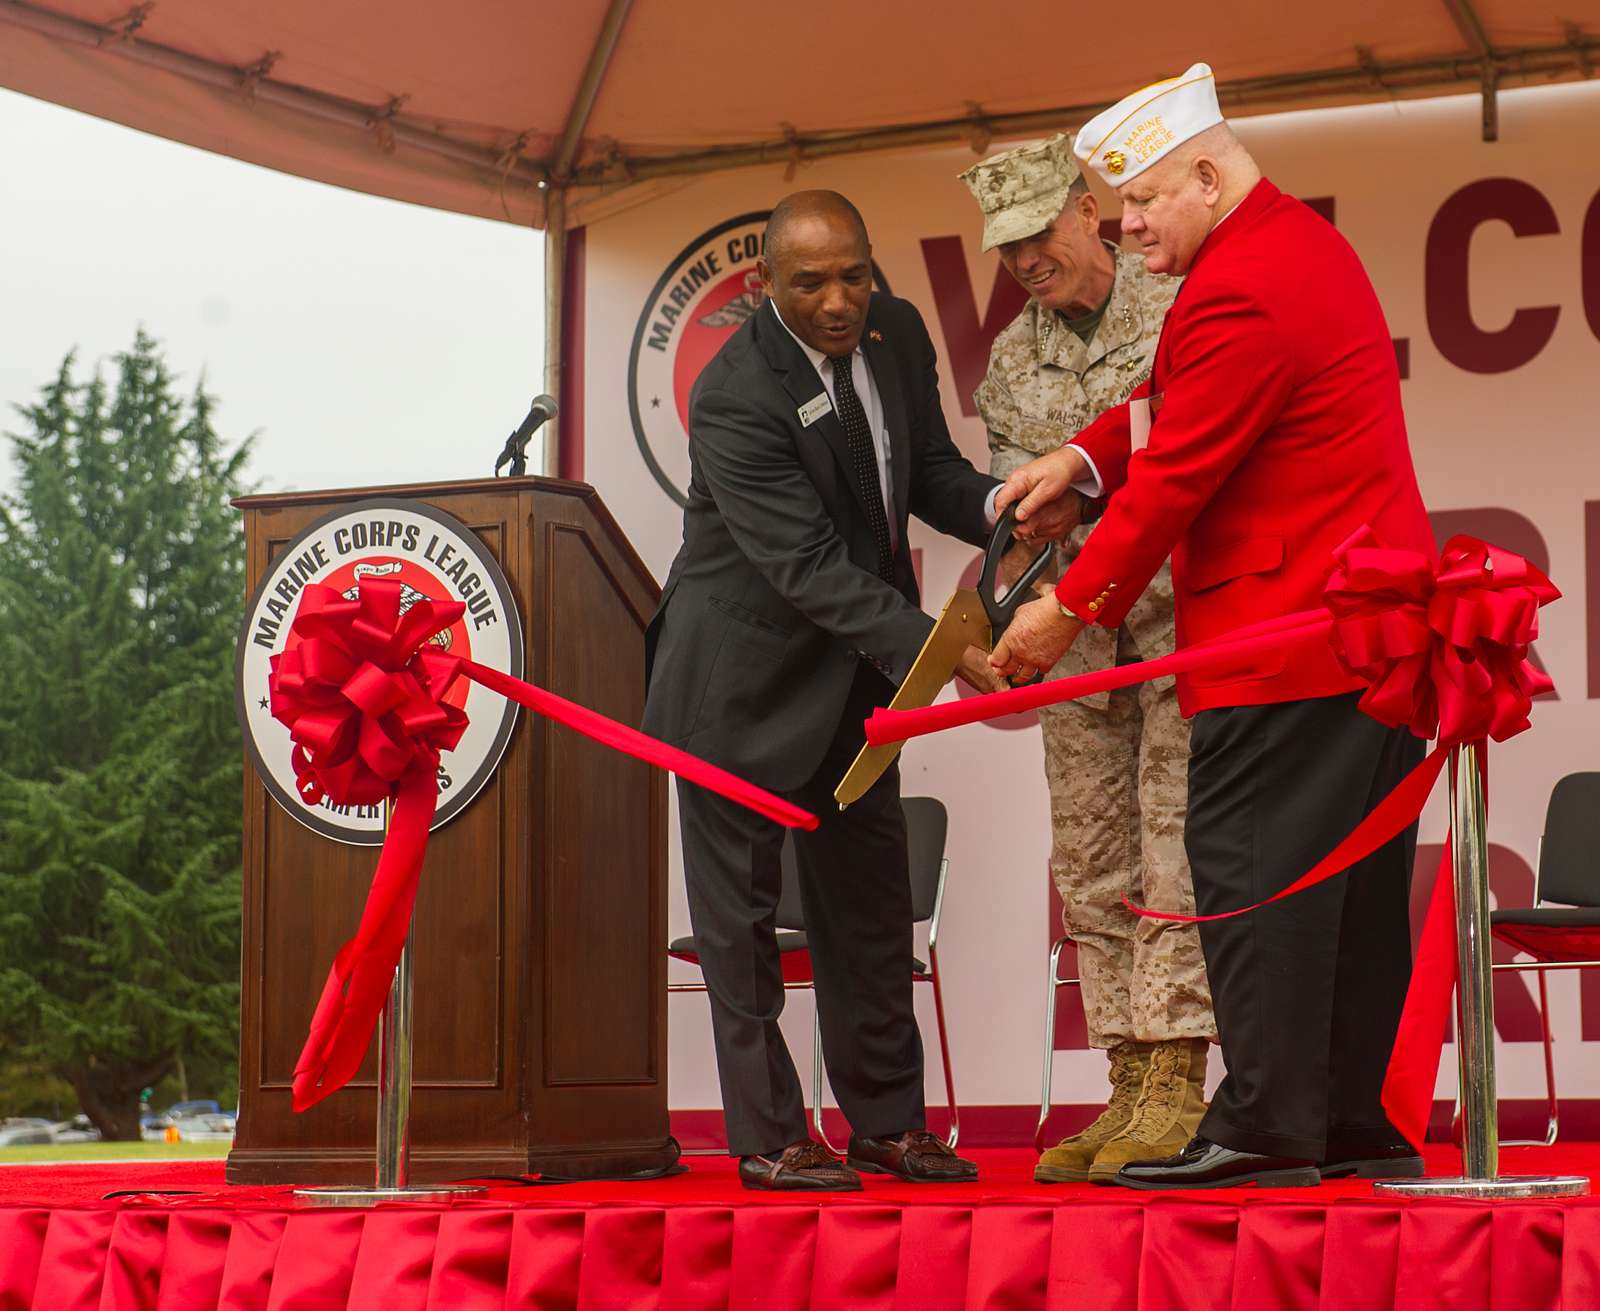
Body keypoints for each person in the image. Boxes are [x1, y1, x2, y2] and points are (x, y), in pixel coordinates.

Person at [990, 64, 1433, 1189]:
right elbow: (1166, 412)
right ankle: (1341, 1120)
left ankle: (1266, 1127)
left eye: (1139, 200)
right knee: (1343, 889)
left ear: (1203, 171)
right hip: (1348, 638)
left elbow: (1180, 472)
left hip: (1285, 639)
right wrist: (1085, 458)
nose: (1125, 223)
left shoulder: (1240, 283)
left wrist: (1062, 608)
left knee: (1251, 875)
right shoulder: (1277, 250)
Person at [643, 190, 1006, 1191]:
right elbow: (803, 565)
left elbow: (924, 472)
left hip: (852, 676)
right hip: (736, 686)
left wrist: (1005, 512)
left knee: (869, 908)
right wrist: (936, 650)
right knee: (742, 927)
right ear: (763, 286)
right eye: (811, 284)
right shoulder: (731, 394)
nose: (841, 300)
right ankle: (768, 1138)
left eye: (855, 273)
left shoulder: (894, 332)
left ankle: (888, 1126)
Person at [958, 134, 1214, 1185]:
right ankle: (1121, 1078)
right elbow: (1029, 514)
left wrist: (1090, 488)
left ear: (1086, 211)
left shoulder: (1174, 310)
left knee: (1174, 848)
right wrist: (986, 620)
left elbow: (1186, 463)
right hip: (1072, 640)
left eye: (1034, 234)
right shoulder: (1010, 365)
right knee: (1092, 857)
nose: (1021, 261)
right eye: (1003, 246)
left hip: (1175, 629)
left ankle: (1176, 1083)